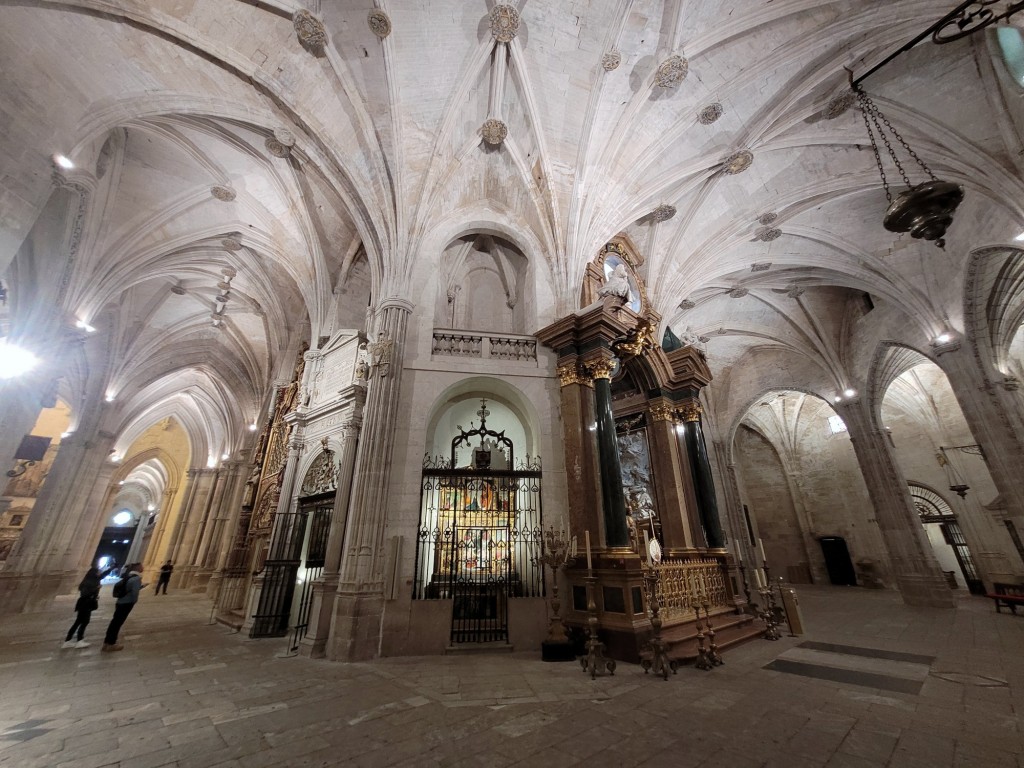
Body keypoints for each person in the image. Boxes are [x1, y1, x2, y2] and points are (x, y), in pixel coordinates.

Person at [62, 566, 109, 649]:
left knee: (79, 621)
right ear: (94, 573)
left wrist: (112, 568)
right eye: (99, 571)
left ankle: (68, 640)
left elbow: (103, 575)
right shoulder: (89, 582)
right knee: (84, 621)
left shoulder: (92, 579)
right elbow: (85, 593)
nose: (100, 573)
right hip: (85, 603)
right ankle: (79, 640)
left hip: (86, 603)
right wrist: (96, 588)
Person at [102, 563, 146, 652]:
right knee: (117, 623)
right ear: (138, 568)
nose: (143, 568)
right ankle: (111, 643)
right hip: (127, 603)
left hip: (120, 601)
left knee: (115, 622)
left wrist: (140, 587)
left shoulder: (128, 576)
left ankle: (107, 642)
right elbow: (134, 593)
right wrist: (134, 600)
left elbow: (128, 588)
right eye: (141, 567)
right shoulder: (137, 578)